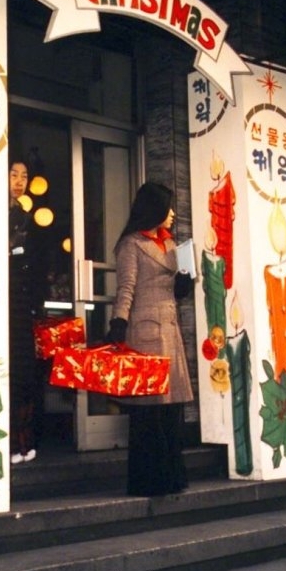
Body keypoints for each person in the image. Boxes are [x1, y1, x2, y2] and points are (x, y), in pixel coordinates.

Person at [106, 182, 194, 496]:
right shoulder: (130, 244)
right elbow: (126, 288)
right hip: (144, 331)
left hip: (170, 328)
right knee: (148, 412)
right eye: (168, 208)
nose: (172, 214)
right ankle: (149, 481)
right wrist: (118, 322)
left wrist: (184, 282)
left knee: (170, 410)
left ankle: (171, 477)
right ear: (154, 209)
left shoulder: (171, 244)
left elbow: (176, 290)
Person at [8, 159, 41, 464]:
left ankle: (22, 441)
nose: (19, 181)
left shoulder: (24, 216)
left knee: (21, 368)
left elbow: (29, 260)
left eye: (24, 176)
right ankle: (8, 442)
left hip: (19, 299)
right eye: (14, 174)